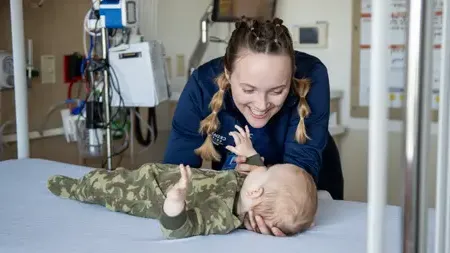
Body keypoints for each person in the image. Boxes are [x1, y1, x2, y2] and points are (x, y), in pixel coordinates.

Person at [163, 16, 344, 236]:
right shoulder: (202, 86)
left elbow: (299, 171)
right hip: (243, 197)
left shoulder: (311, 74)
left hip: (297, 195)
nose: (261, 105)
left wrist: (275, 211)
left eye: (277, 91)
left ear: (291, 76)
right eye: (248, 90)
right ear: (228, 75)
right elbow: (176, 171)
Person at [46, 125, 318, 239]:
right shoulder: (245, 187)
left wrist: (175, 203)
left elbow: (179, 230)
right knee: (117, 173)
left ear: (257, 191)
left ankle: (72, 188)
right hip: (156, 175)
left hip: (144, 193)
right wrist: (249, 152)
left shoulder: (223, 215)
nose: (262, 165)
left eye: (269, 168)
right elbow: (255, 172)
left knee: (99, 182)